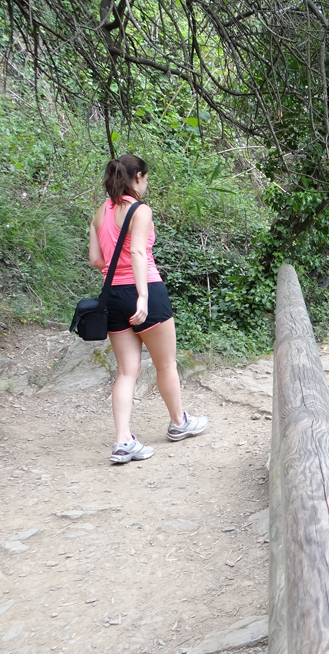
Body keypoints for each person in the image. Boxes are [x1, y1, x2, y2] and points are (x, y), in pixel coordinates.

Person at [88, 155, 208, 463]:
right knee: (166, 364)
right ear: (138, 177)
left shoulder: (101, 212)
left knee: (127, 372)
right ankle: (179, 423)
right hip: (147, 291)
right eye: (146, 178)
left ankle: (123, 441)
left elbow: (97, 261)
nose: (147, 183)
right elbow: (139, 251)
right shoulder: (140, 211)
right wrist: (142, 296)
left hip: (112, 294)